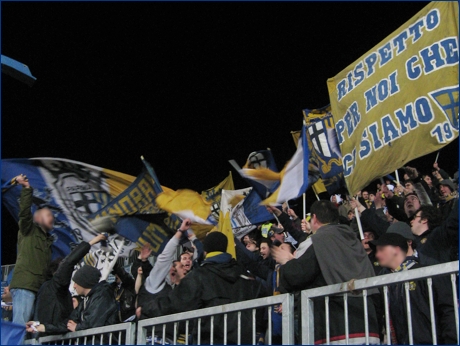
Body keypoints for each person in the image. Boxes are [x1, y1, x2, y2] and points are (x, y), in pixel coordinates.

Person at [272, 200, 380, 345]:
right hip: (367, 323)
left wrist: (287, 262)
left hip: (338, 328)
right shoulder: (350, 237)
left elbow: (297, 275)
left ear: (314, 218)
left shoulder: (320, 239)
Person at [156, 232, 262, 344]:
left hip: (210, 340)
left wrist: (147, 308)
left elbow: (174, 304)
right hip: (242, 340)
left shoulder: (199, 276)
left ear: (205, 252)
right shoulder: (244, 276)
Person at [371, 233, 456, 344]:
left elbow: (447, 309)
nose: (377, 255)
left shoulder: (427, 272)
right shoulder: (385, 281)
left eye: (381, 249)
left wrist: (451, 341)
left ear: (396, 250)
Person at [33, 233, 107, 335]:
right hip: (52, 337)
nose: (74, 285)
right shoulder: (56, 286)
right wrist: (92, 242)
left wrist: (44, 327)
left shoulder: (46, 288)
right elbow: (68, 263)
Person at [9, 174, 54, 333]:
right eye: (48, 215)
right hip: (25, 287)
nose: (52, 219)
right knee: (20, 328)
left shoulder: (47, 242)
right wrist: (27, 188)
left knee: (33, 331)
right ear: (38, 217)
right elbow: (24, 212)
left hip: (37, 289)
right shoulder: (28, 230)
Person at [27, 265, 118, 335]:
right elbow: (68, 323)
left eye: (76, 282)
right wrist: (41, 327)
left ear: (84, 282)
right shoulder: (85, 301)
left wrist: (77, 328)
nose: (74, 286)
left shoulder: (103, 296)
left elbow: (92, 323)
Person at [135, 218, 192, 319]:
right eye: (173, 267)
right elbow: (165, 257)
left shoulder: (174, 290)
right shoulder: (155, 282)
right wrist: (180, 231)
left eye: (177, 268)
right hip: (151, 333)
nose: (173, 269)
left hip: (168, 333)